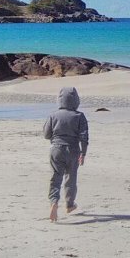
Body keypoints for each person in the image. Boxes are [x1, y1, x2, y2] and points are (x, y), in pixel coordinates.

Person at [43, 85, 89, 221]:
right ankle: (69, 205)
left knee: (55, 177)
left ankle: (54, 202)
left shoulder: (53, 115)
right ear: (76, 100)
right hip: (73, 150)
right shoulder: (79, 116)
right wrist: (83, 153)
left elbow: (46, 134)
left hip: (56, 149)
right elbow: (84, 137)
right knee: (71, 178)